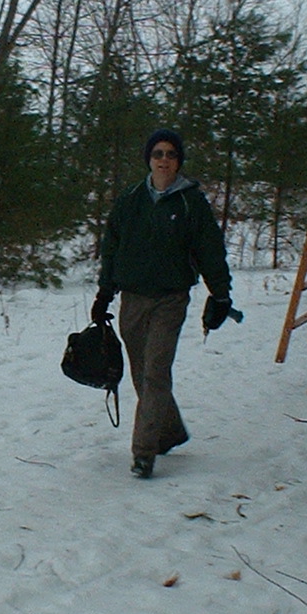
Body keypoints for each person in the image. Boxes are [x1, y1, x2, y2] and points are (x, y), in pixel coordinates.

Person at [93, 129, 238, 478]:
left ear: (178, 161)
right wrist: (104, 293)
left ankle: (144, 453)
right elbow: (112, 247)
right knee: (141, 372)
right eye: (157, 153)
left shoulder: (191, 203)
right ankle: (169, 430)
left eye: (171, 154)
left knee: (156, 371)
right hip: (133, 298)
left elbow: (210, 251)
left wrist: (220, 294)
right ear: (149, 159)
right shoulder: (130, 199)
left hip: (170, 299)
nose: (163, 160)